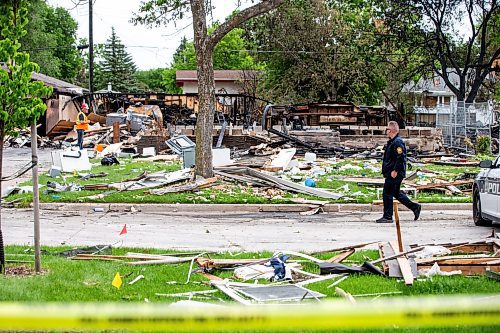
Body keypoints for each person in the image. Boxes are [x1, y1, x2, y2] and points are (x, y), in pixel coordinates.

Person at [377, 121, 421, 223]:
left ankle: (388, 216)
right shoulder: (392, 142)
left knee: (387, 193)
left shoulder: (397, 142)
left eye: (387, 129)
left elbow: (401, 157)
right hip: (392, 172)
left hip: (395, 173)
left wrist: (395, 170)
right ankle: (415, 207)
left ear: (391, 131)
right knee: (395, 193)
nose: (386, 131)